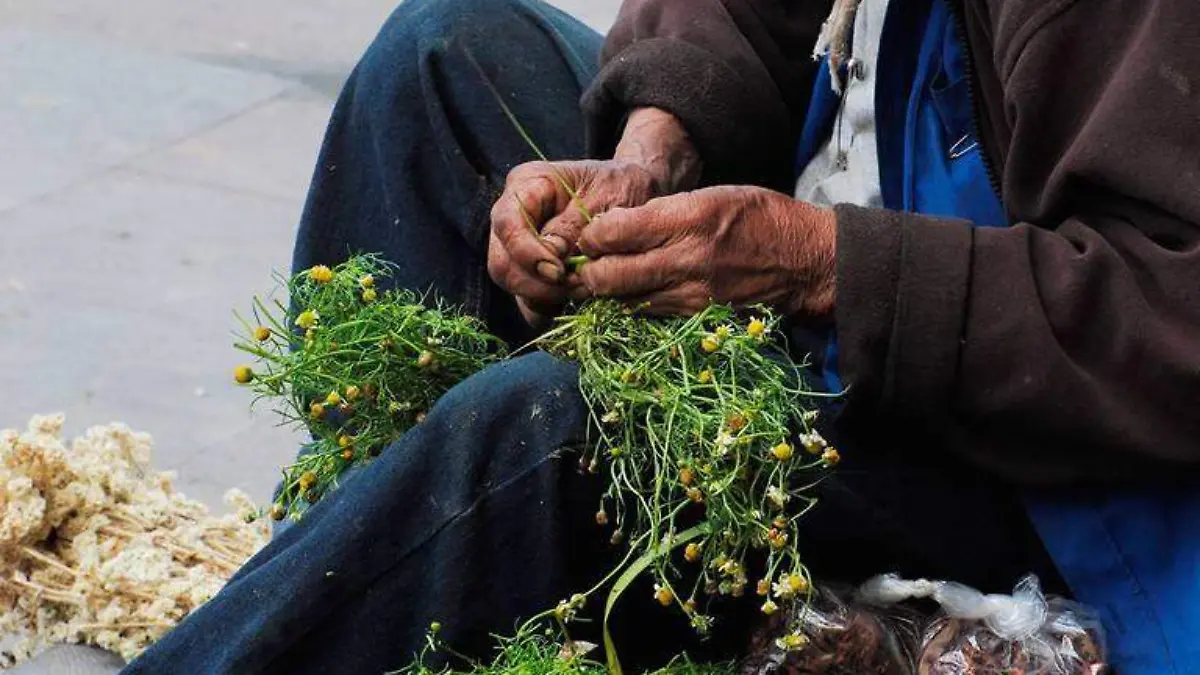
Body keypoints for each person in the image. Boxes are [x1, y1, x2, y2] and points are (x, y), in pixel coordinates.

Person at [123, 0, 1200, 672]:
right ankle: (357, 584)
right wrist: (656, 148)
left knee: (558, 423)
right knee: (443, 54)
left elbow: (1171, 324)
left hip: (1044, 473)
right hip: (852, 285)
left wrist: (814, 261)